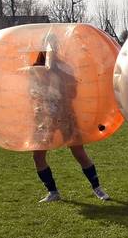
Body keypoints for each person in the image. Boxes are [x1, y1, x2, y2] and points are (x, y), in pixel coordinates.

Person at [28, 40, 109, 203]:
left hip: (65, 113)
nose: (51, 51)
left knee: (79, 152)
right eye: (47, 47)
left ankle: (97, 188)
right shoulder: (36, 69)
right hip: (44, 116)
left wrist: (61, 85)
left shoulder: (65, 68)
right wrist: (43, 80)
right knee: (38, 156)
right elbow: (32, 93)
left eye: (53, 47)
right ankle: (52, 192)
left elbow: (73, 93)